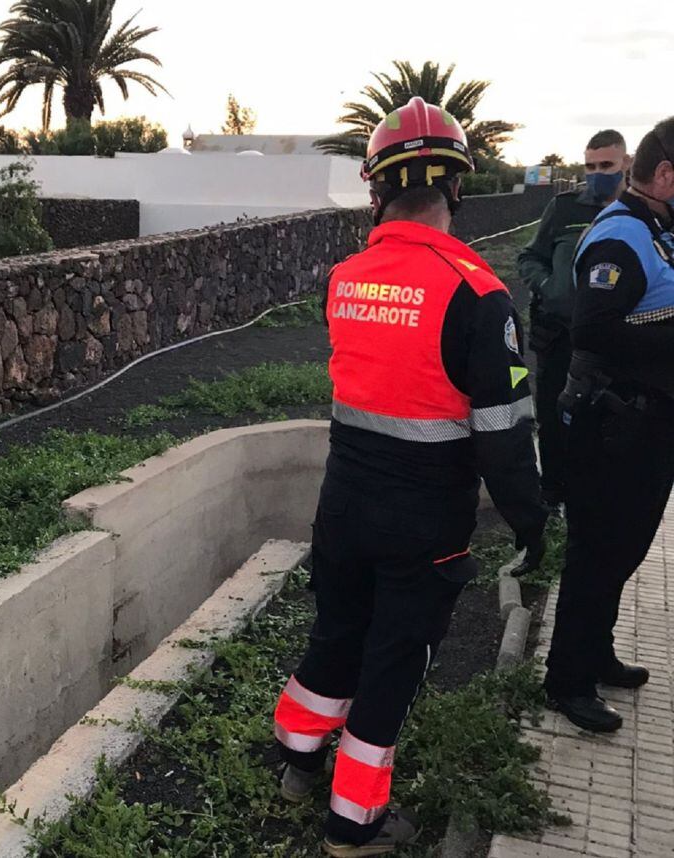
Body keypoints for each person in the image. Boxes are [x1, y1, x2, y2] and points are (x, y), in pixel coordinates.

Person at [272, 97, 548, 857]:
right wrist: (533, 524)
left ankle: (296, 755)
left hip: (343, 505)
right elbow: (502, 435)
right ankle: (354, 823)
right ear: (457, 188)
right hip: (423, 523)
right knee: (393, 664)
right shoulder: (479, 294)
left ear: (376, 190)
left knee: (336, 630)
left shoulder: (346, 278)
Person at [543, 118, 674, 733]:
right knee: (597, 553)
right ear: (666, 174)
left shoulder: (655, 230)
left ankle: (595, 652)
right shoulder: (622, 235)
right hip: (613, 425)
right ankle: (566, 681)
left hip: (644, 426)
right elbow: (593, 329)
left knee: (623, 549)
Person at [517, 130, 630, 508]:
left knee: (603, 417)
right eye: (591, 166)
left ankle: (591, 496)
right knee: (551, 414)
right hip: (557, 336)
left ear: (626, 164)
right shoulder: (565, 208)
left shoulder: (637, 213)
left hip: (610, 341)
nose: (598, 173)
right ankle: (551, 493)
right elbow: (529, 257)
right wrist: (549, 286)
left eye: (607, 165)